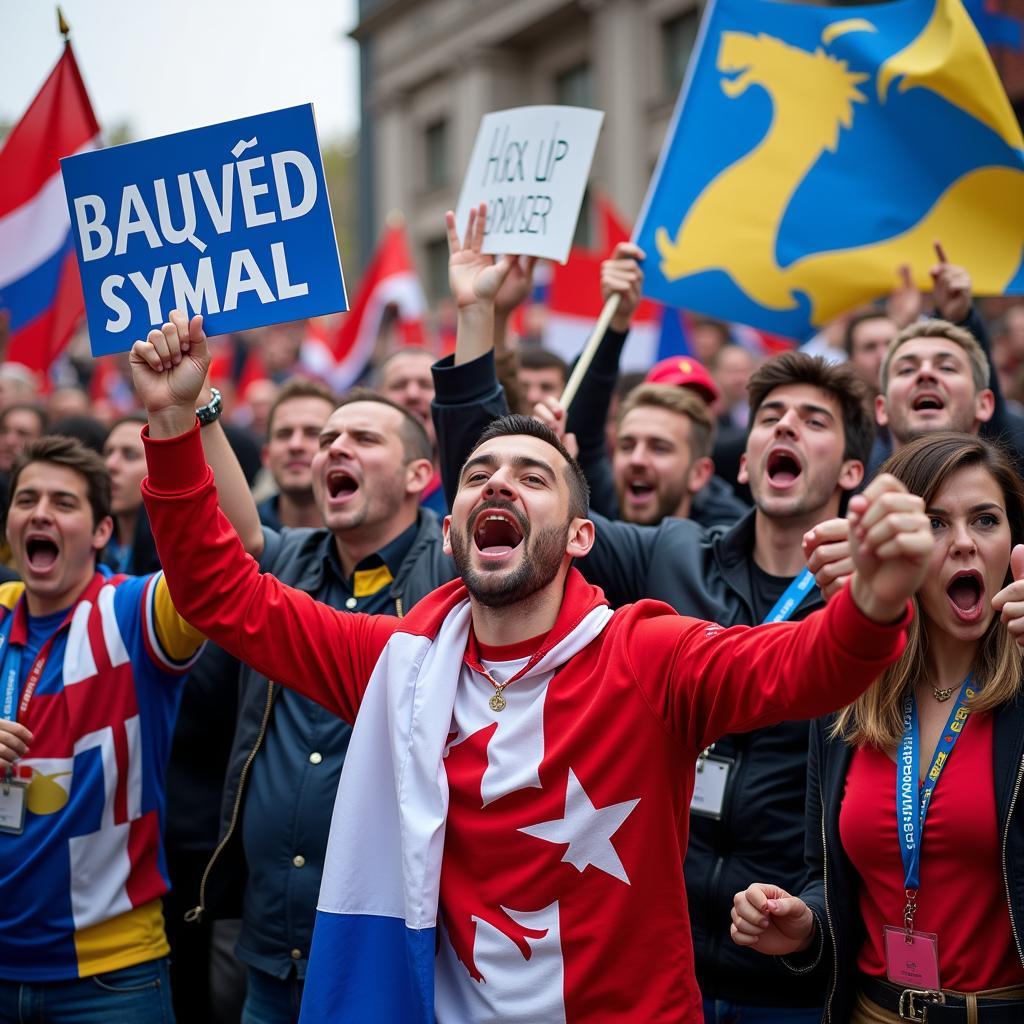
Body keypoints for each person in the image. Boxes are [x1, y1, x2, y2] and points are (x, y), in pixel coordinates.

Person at [131, 295, 929, 1023]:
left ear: (582, 537)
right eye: (477, 475)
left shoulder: (647, 653)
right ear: (452, 530)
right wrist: (172, 423)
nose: (498, 485)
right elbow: (220, 595)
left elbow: (804, 666)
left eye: (532, 476)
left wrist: (876, 602)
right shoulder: (397, 663)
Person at [431, 203, 881, 1021]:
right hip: (651, 961)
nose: (786, 428)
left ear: (851, 471)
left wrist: (813, 917)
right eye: (771, 418)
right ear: (743, 464)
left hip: (785, 978)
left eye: (813, 422)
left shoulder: (872, 597)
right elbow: (507, 515)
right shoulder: (669, 554)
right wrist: (475, 317)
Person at [181, 376, 454, 1024]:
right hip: (270, 951)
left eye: (362, 438)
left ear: (421, 475)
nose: (333, 448)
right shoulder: (288, 563)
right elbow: (232, 540)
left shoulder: (450, 575)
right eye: (328, 438)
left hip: (387, 954)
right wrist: (198, 406)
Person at [733, 432, 1024, 1023]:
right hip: (872, 1011)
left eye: (986, 520)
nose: (964, 543)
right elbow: (824, 875)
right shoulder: (848, 698)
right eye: (936, 524)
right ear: (900, 549)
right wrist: (805, 923)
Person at [257, 379, 337, 531]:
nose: (295, 445)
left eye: (313, 433)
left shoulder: (366, 536)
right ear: (266, 455)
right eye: (284, 434)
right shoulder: (238, 534)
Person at [377, 347, 448, 515]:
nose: (412, 394)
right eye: (399, 385)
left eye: (426, 385)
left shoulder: (469, 486)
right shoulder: (357, 486)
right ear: (377, 398)